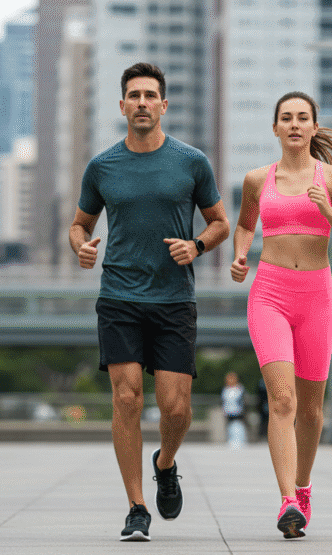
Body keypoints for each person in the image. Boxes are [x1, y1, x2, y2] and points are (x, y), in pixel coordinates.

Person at [70, 62, 229, 542]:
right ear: (122, 106)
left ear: (164, 105)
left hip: (174, 299)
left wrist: (197, 246)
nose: (142, 102)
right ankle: (136, 507)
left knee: (176, 408)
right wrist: (79, 245)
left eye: (150, 95)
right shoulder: (102, 167)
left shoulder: (191, 162)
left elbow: (220, 221)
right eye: (133, 96)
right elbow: (80, 223)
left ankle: (165, 462)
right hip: (119, 295)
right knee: (126, 397)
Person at [230, 91, 332, 539]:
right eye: (285, 118)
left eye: (302, 118)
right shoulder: (256, 179)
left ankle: (304, 488)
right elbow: (247, 223)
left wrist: (326, 208)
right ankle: (288, 500)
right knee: (282, 400)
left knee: (310, 409)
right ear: (274, 128)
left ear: (312, 126)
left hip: (316, 298)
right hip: (269, 293)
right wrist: (239, 255)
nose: (293, 125)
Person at [221, 371, 247, 448]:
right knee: (230, 426)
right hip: (229, 411)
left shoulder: (240, 389)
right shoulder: (225, 389)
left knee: (238, 426)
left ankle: (240, 440)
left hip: (238, 412)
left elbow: (242, 401)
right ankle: (231, 440)